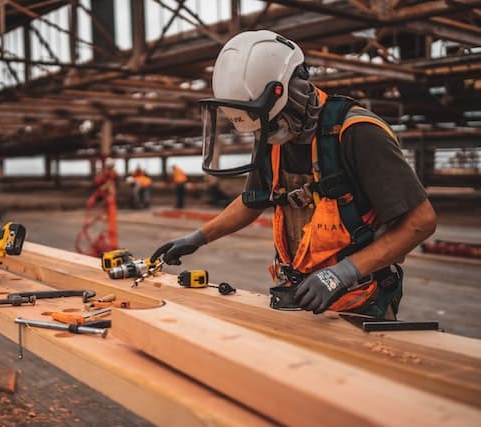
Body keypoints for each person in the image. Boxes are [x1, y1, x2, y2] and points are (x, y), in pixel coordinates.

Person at [151, 30, 436, 320]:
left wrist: (343, 273)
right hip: (298, 296)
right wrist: (198, 238)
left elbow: (421, 221)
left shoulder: (357, 133)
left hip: (360, 301)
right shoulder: (271, 135)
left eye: (271, 122)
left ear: (291, 92)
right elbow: (253, 201)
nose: (266, 132)